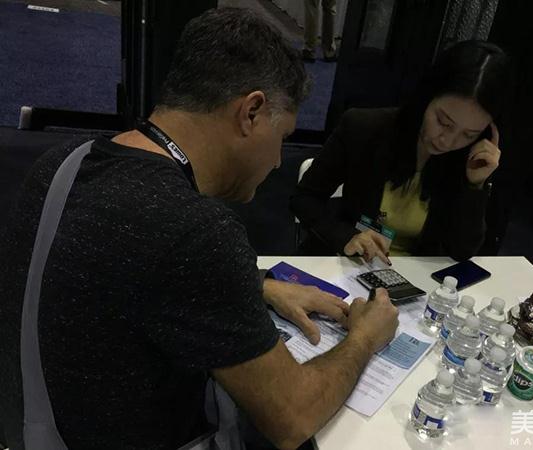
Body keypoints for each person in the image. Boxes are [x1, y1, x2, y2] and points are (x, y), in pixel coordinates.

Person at [0, 8, 399, 450]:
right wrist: (365, 337)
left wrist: (258, 285)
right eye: (282, 138)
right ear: (251, 112)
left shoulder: (64, 160)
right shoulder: (196, 230)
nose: (275, 162)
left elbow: (118, 272)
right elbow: (293, 417)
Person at [290, 40, 512, 262]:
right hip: (351, 263)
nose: (448, 141)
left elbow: (461, 251)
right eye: (443, 122)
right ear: (427, 97)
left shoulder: (470, 158)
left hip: (414, 274)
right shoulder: (364, 129)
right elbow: (304, 198)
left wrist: (474, 186)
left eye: (469, 134)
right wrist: (346, 237)